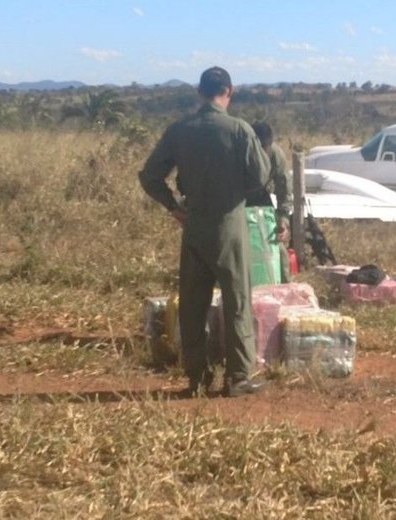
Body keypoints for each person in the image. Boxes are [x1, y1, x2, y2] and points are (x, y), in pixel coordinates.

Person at [139, 66, 270, 397]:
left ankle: (196, 377)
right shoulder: (239, 130)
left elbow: (150, 176)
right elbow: (260, 177)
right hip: (230, 225)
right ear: (230, 91)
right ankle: (238, 377)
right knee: (237, 300)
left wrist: (173, 206)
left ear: (200, 92)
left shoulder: (180, 130)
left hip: (193, 225)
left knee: (193, 304)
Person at [248, 121, 294, 282]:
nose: (262, 153)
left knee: (278, 249)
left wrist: (283, 219)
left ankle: (285, 288)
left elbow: (284, 188)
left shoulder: (275, 154)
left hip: (262, 200)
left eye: (265, 148)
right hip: (238, 202)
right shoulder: (235, 152)